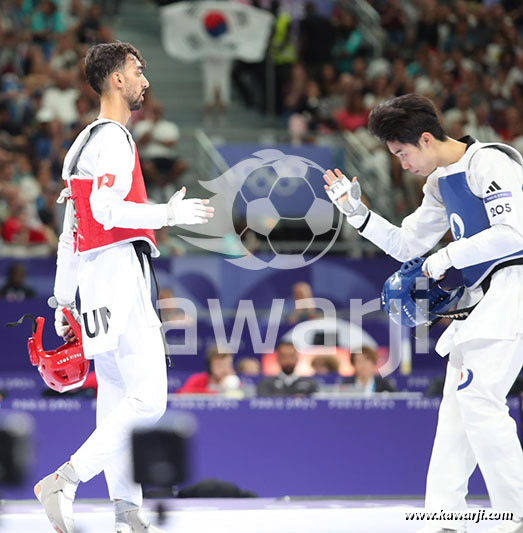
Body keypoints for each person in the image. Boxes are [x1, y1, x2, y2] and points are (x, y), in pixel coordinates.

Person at [34, 42, 214, 533]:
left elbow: (72, 228)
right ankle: (65, 480)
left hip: (94, 278)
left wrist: (61, 296)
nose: (145, 80)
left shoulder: (83, 143)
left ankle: (127, 513)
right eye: (138, 71)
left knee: (116, 399)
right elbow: (110, 213)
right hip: (117, 271)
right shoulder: (113, 137)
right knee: (150, 399)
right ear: (116, 78)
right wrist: (169, 214)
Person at [324, 94, 523, 533]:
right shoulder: (438, 184)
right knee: (456, 409)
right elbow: (406, 246)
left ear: (427, 138)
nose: (401, 164)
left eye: (402, 153)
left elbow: (514, 232)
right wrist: (356, 214)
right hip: (481, 299)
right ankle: (444, 518)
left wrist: (448, 256)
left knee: (479, 401)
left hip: (514, 288)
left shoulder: (489, 163)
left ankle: (516, 514)